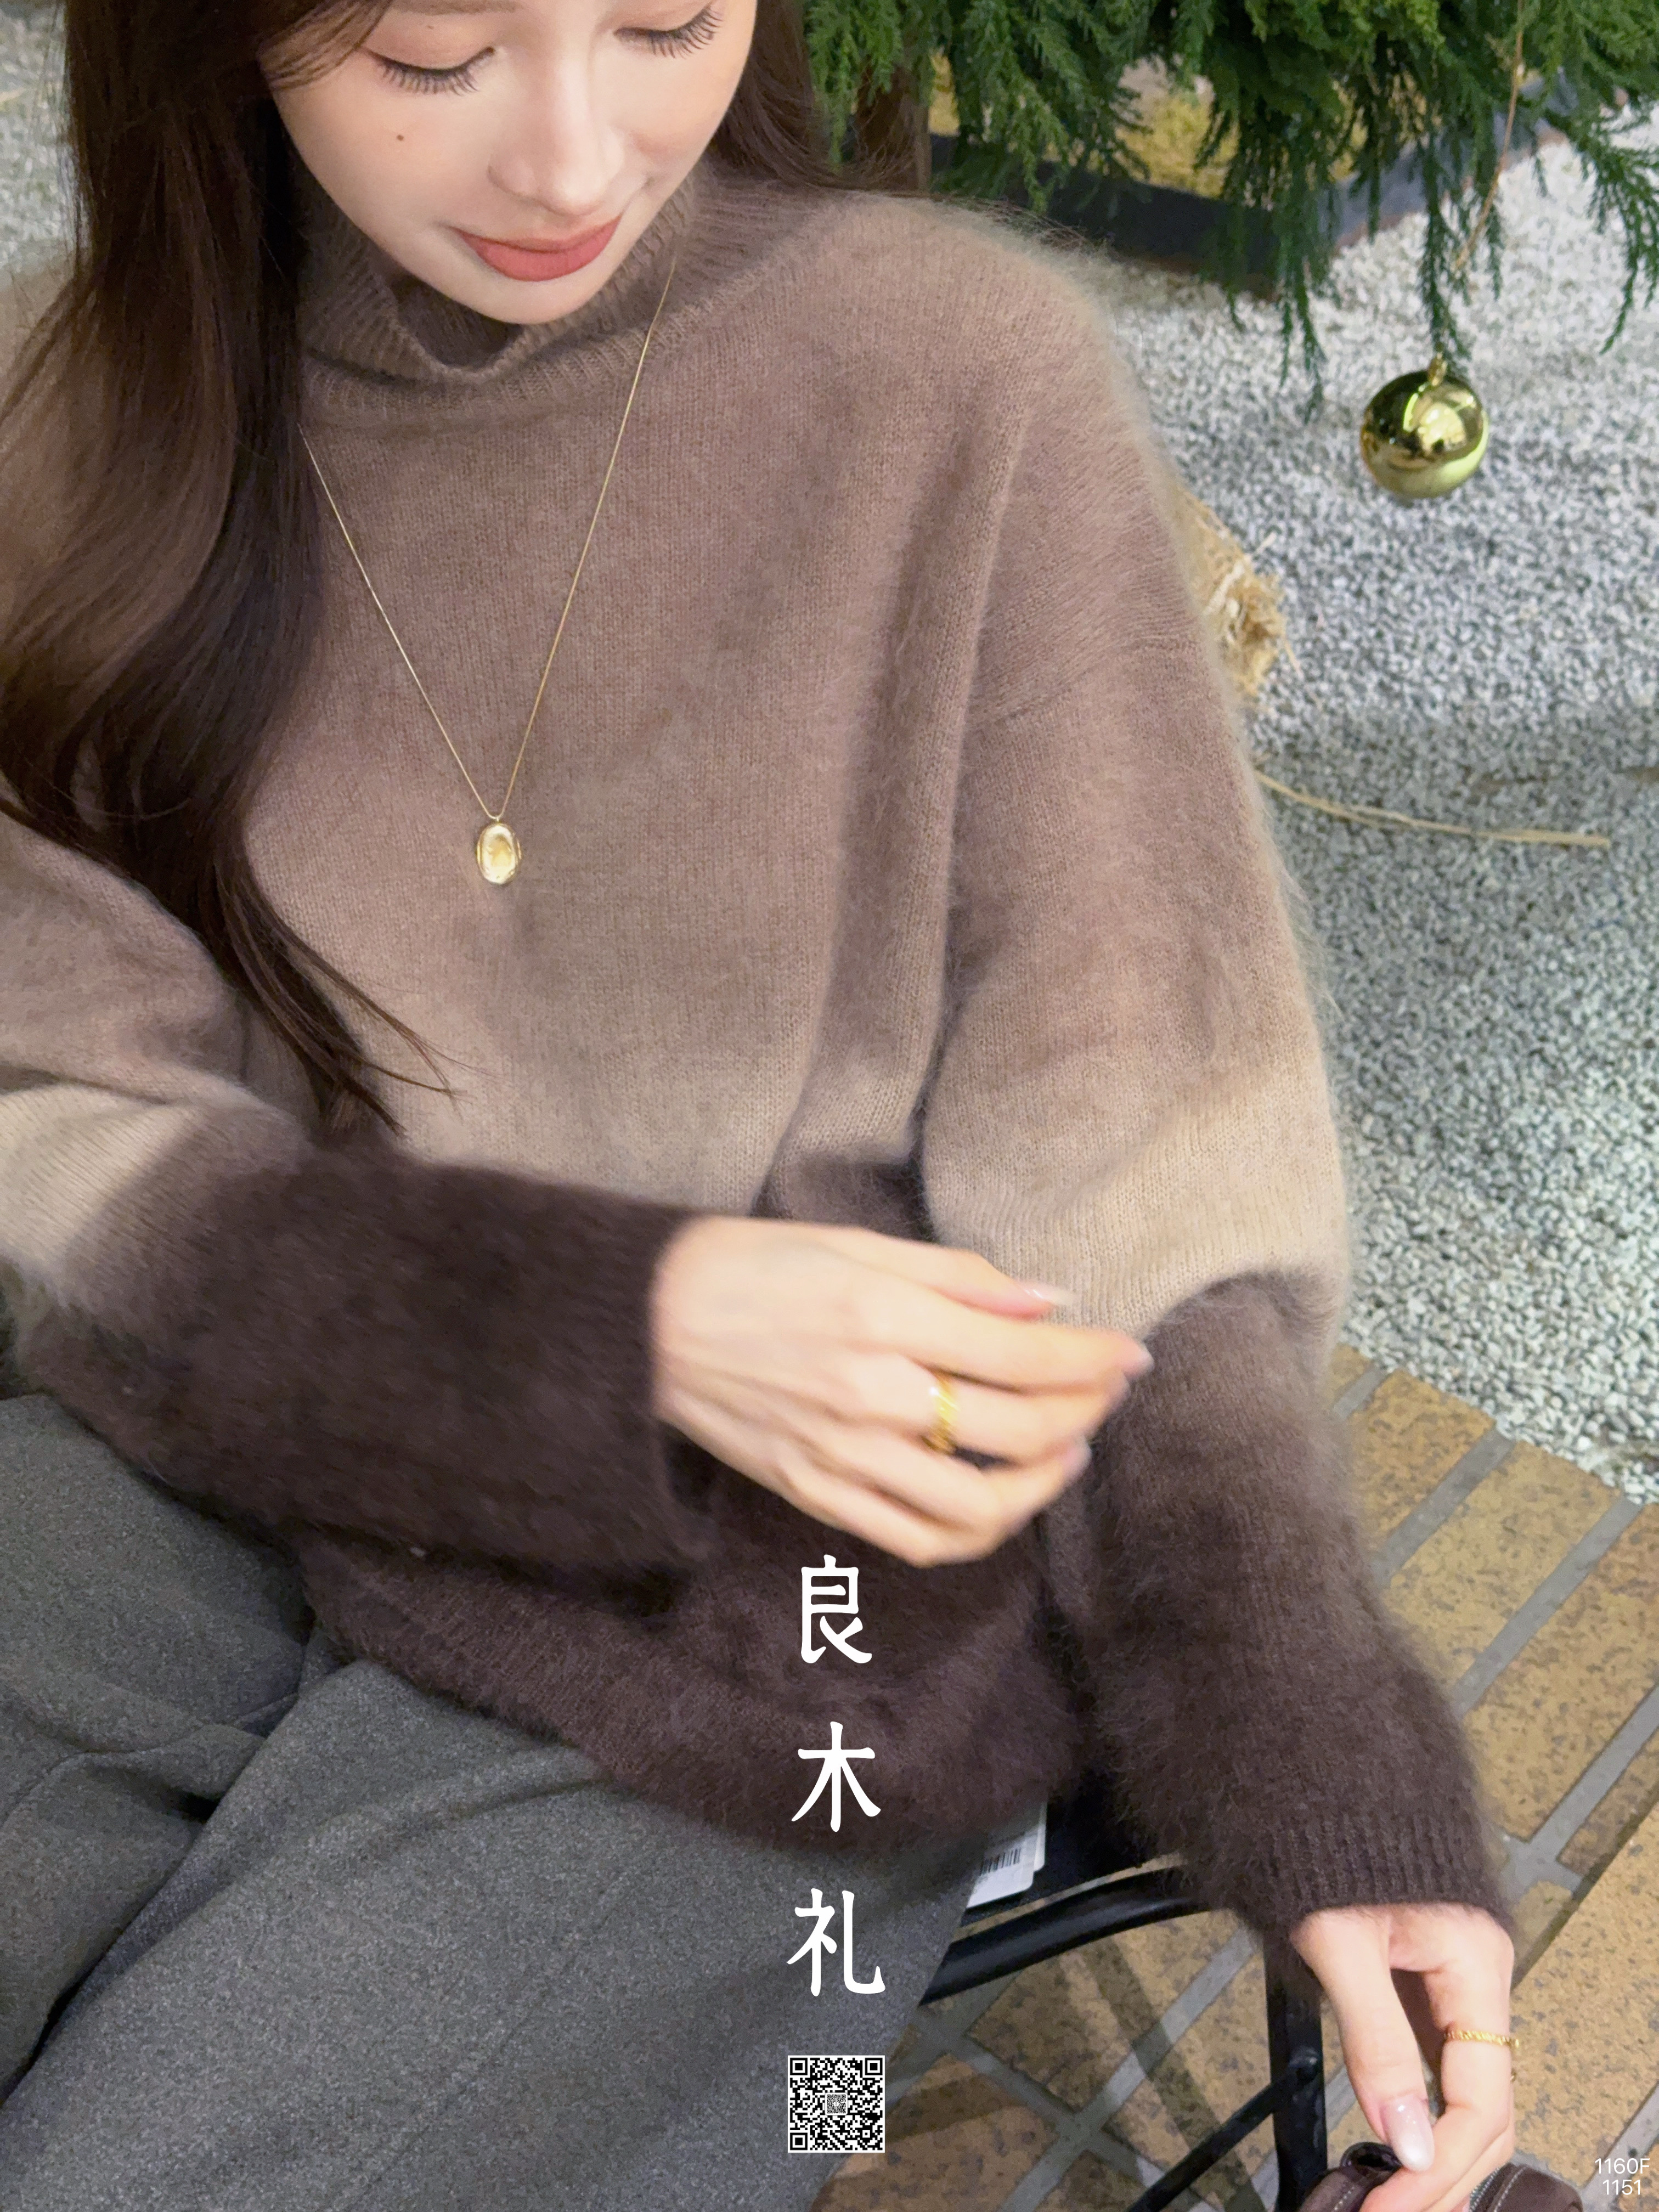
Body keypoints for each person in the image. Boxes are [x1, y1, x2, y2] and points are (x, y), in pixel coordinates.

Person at [0, 0, 1520, 2201]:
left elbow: (1149, 1200)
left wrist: (1319, 1763)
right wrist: (613, 1329)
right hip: (203, 1438)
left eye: (664, 20)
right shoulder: (76, 418)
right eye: (432, 56)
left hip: (780, 1601)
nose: (570, 157)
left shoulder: (953, 384)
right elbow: (66, 1110)